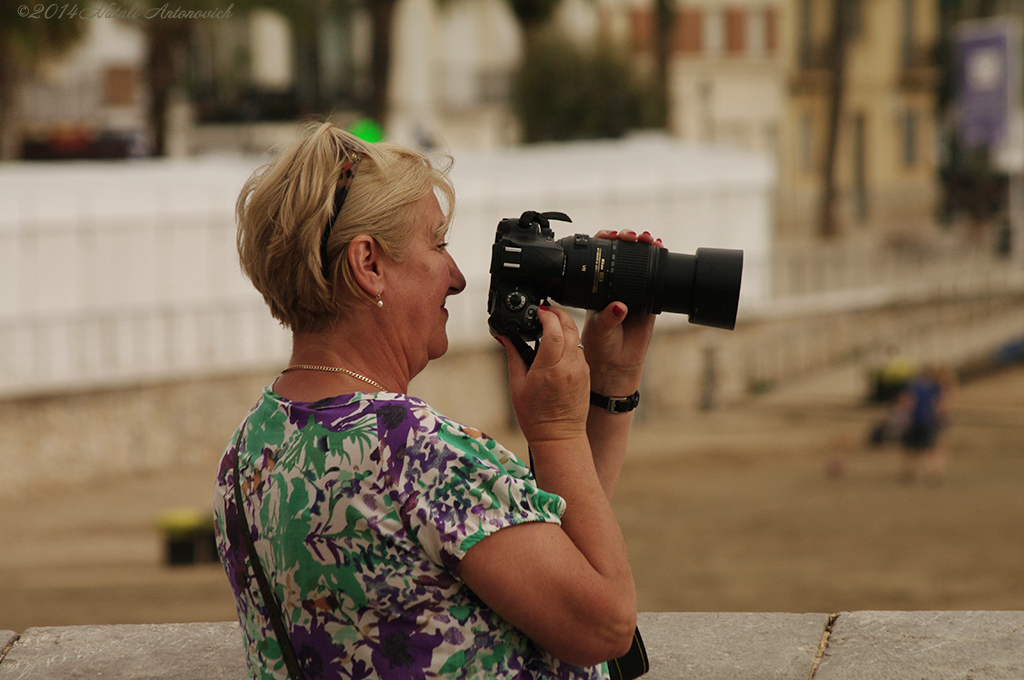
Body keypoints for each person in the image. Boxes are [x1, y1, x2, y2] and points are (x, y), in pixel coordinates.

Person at [214, 122, 659, 679]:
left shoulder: (247, 452)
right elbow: (605, 625)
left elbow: (562, 563)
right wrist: (556, 432)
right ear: (368, 264)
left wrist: (611, 384)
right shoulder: (413, 452)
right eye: (438, 243)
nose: (457, 278)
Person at [893, 364, 956, 482]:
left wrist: (905, 419)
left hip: (914, 420)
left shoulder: (912, 385)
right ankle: (934, 472)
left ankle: (909, 471)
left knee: (909, 448)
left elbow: (906, 402)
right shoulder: (935, 387)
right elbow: (940, 405)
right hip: (928, 420)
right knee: (933, 448)